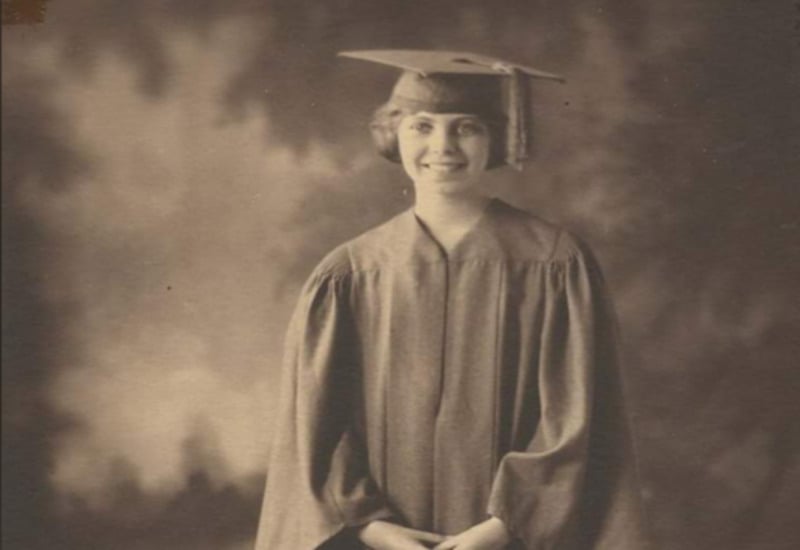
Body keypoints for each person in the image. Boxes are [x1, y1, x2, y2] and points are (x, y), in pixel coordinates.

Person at [254, 50, 652, 550]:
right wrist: (372, 527)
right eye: (422, 126)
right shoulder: (350, 274)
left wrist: (502, 527)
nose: (442, 146)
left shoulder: (553, 262)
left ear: (498, 137)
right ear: (392, 134)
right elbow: (315, 429)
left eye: (466, 127)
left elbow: (575, 421)